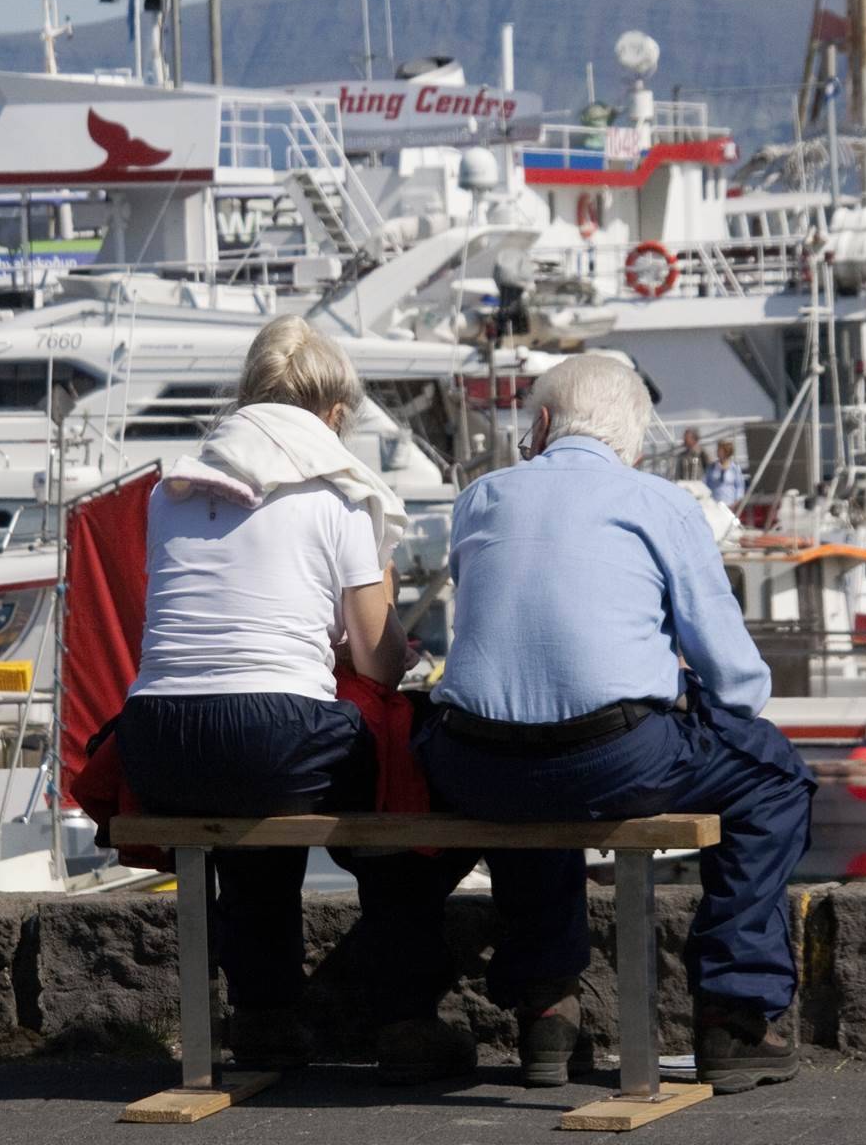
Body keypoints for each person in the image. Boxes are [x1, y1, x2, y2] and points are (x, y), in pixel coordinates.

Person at [421, 354, 814, 1093]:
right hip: (614, 754)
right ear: (631, 444)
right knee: (774, 777)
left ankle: (547, 1012)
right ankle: (734, 1016)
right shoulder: (658, 501)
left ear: (538, 426)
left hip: (473, 760)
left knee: (533, 761)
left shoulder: (479, 497)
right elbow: (736, 681)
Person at [113, 315, 476, 1084]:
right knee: (392, 797)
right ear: (334, 414)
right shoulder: (339, 497)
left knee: (256, 807)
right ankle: (405, 1016)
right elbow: (378, 661)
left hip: (155, 740)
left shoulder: (172, 490)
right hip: (270, 736)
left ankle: (265, 1016)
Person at [704, 438, 745, 507]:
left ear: (726, 452)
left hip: (730, 504)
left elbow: (740, 486)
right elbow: (705, 483)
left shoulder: (734, 468)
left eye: (720, 450)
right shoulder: (712, 467)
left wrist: (736, 502)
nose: (717, 452)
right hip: (715, 504)